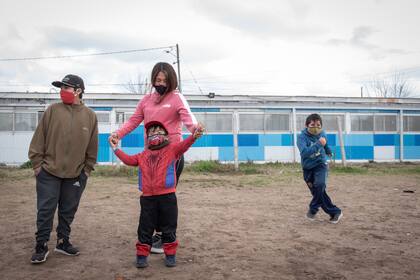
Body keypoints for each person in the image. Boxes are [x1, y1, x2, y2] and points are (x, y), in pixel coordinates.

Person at [108, 62, 198, 253]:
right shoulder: (146, 100)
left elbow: (189, 120)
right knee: (150, 197)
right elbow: (133, 121)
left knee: (165, 198)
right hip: (150, 158)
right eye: (157, 79)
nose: (161, 83)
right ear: (153, 80)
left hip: (171, 156)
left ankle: (162, 237)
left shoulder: (176, 98)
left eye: (165, 80)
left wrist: (195, 130)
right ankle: (153, 235)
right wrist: (118, 134)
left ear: (172, 81)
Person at [110, 121, 204, 268]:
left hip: (168, 197)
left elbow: (185, 144)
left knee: (169, 227)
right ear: (147, 138)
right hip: (147, 199)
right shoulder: (143, 155)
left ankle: (170, 255)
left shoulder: (172, 150)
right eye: (151, 132)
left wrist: (194, 136)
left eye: (159, 131)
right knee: (145, 228)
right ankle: (141, 256)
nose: (155, 134)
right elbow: (128, 160)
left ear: (167, 136)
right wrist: (115, 148)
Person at [28, 74, 98, 264]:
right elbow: (38, 140)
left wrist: (86, 171)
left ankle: (62, 241)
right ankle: (41, 245)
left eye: (66, 88)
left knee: (68, 210)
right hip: (49, 173)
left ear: (78, 91)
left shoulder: (90, 116)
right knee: (45, 210)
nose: (62, 91)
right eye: (61, 88)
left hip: (75, 175)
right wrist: (37, 166)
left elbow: (92, 147)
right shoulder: (52, 111)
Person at [297, 113, 342, 224]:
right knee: (319, 193)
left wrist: (328, 151)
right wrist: (318, 144)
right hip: (307, 168)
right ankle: (335, 212)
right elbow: (304, 153)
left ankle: (313, 209)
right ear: (307, 125)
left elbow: (325, 144)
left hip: (320, 164)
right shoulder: (301, 137)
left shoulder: (322, 133)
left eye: (318, 125)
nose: (316, 128)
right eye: (313, 125)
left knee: (320, 185)